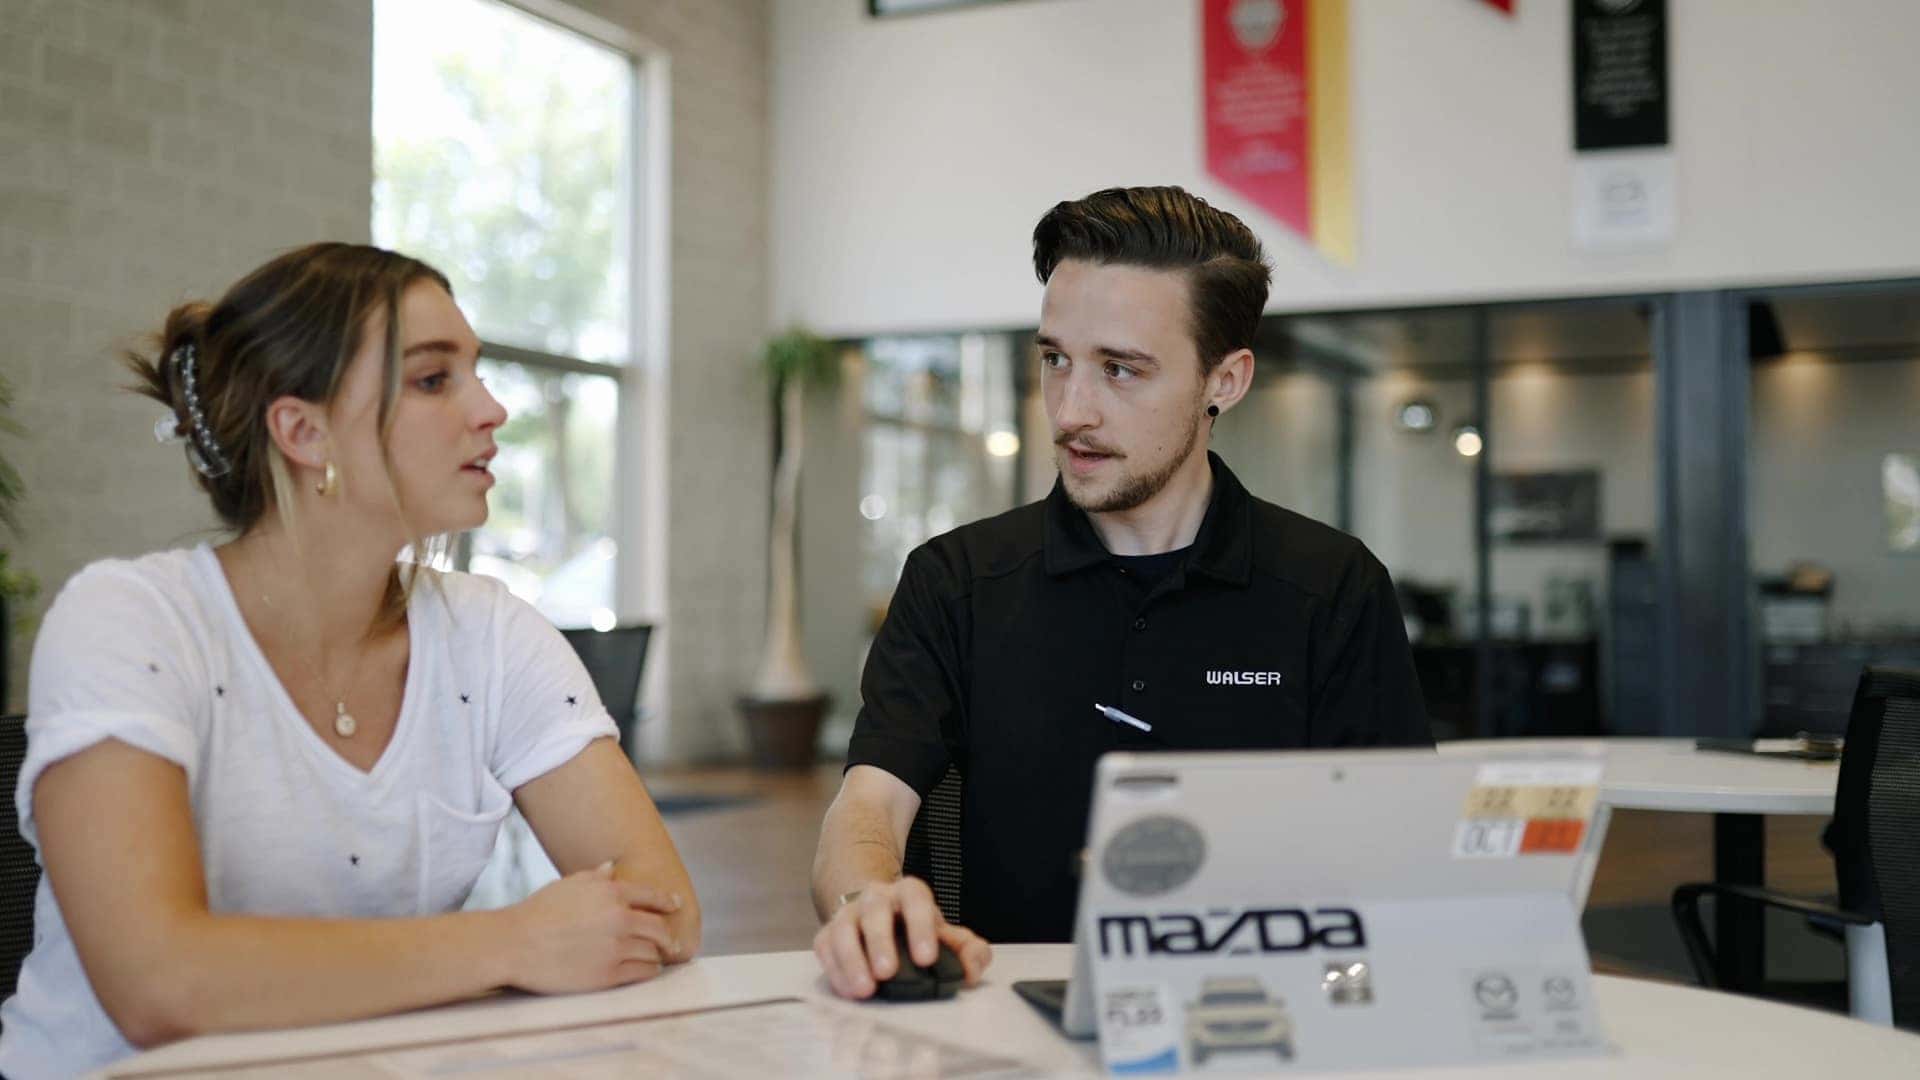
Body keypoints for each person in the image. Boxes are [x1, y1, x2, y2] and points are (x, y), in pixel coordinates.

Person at [0, 243, 700, 1079]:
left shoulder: (492, 633)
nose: (492, 410)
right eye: (434, 380)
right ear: (302, 429)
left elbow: (667, 914)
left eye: (474, 371)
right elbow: (159, 985)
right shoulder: (128, 622)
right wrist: (510, 941)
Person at [810, 187, 1431, 999]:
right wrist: (865, 901)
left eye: (1120, 369)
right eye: (1055, 359)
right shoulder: (955, 583)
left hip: (1255, 1026)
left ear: (1226, 380)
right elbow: (868, 804)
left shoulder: (1331, 589)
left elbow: (1398, 851)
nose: (1072, 410)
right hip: (999, 1028)